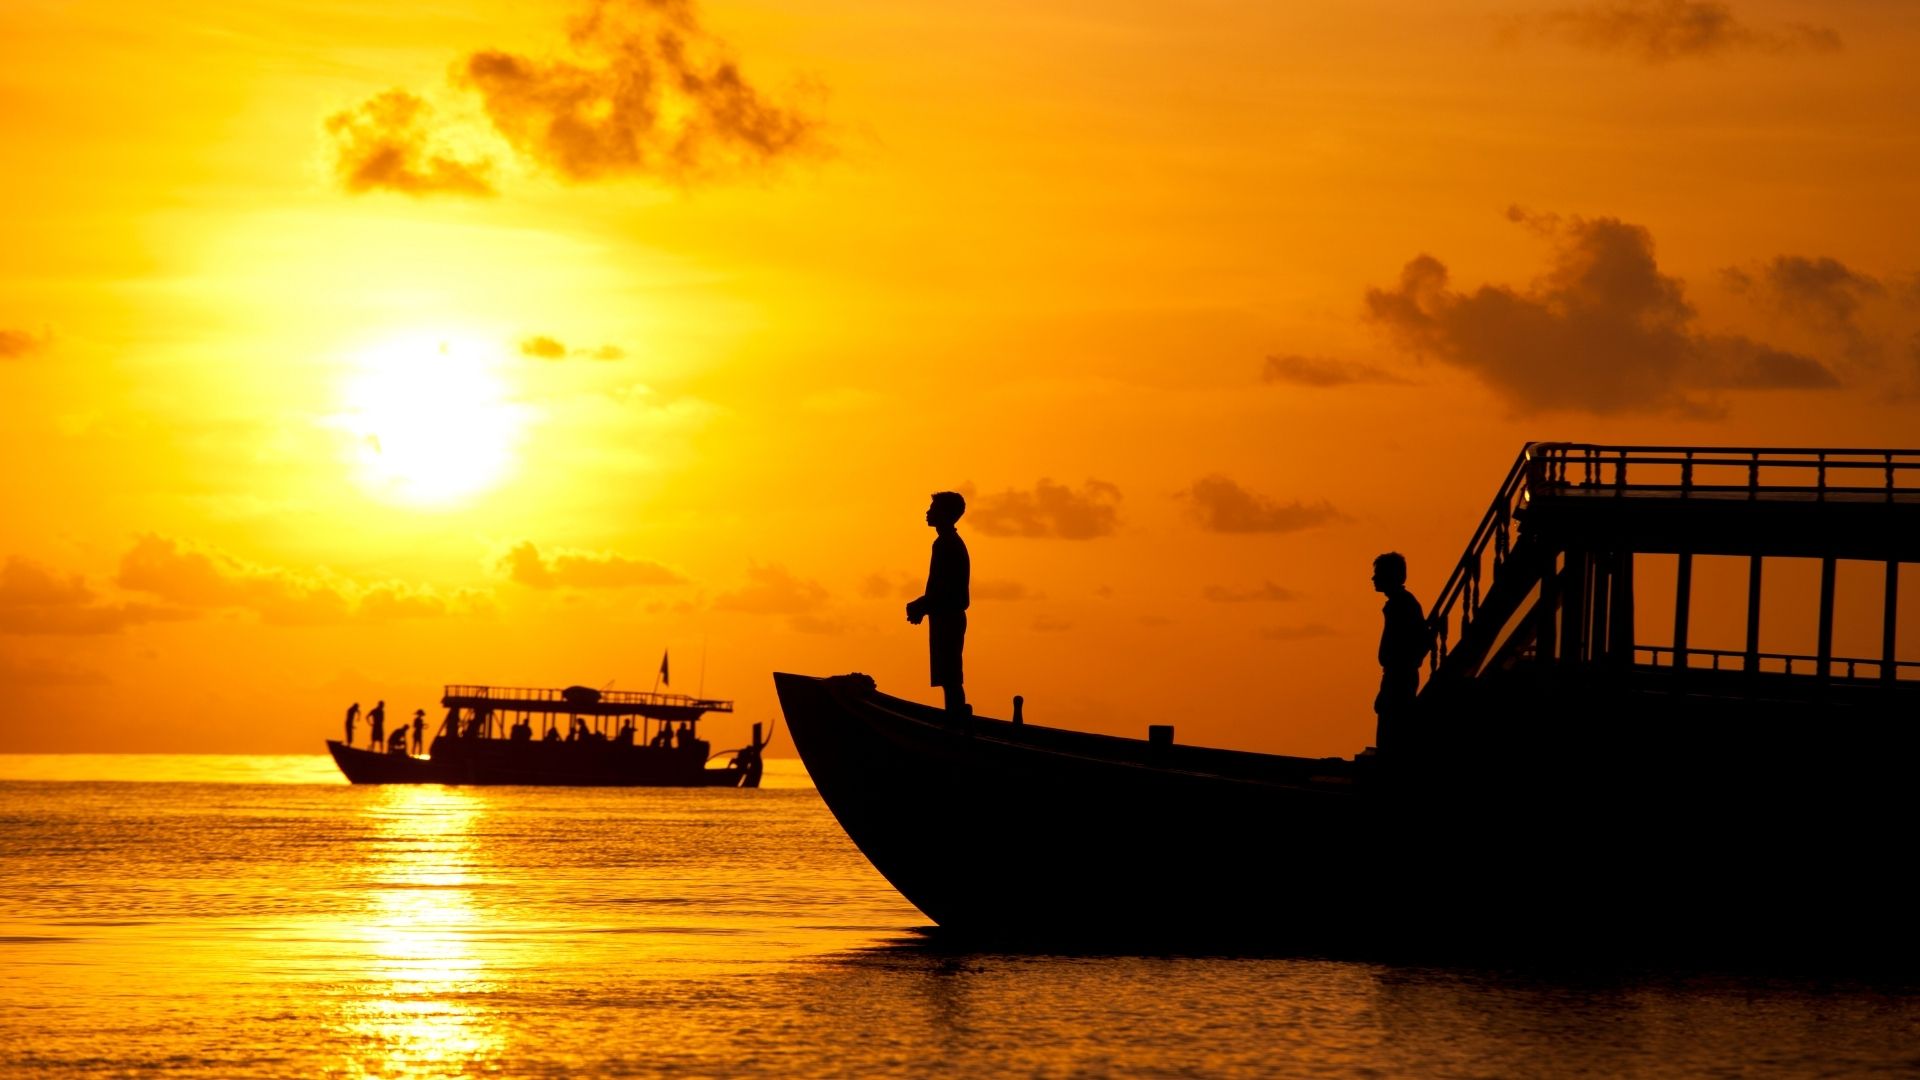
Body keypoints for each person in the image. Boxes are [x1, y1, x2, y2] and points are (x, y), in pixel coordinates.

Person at [907, 491, 970, 713]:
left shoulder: (947, 544)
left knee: (950, 678)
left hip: (949, 618)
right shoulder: (945, 543)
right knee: (948, 678)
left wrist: (920, 606)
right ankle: (954, 717)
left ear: (944, 513)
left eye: (933, 509)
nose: (928, 512)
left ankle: (955, 719)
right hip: (944, 617)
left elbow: (948, 591)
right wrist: (922, 606)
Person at [1371, 552, 1429, 751]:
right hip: (1397, 675)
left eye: (1378, 574)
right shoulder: (1402, 604)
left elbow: (1420, 641)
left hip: (1398, 676)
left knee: (1390, 735)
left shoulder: (1402, 605)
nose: (1373, 578)